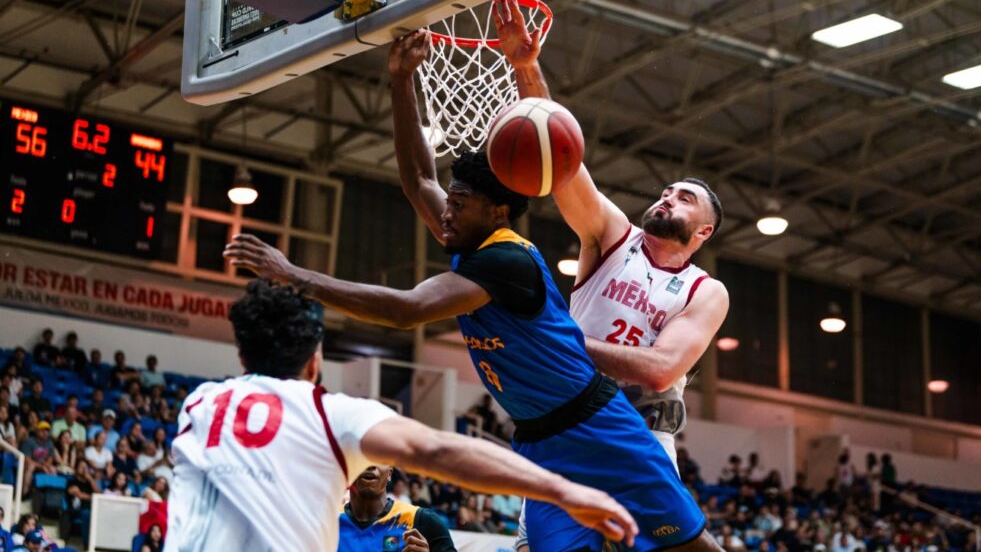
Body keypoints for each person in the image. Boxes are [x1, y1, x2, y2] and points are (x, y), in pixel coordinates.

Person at [222, 45, 709, 552]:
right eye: (449, 202)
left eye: (459, 204)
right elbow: (418, 180)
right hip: (540, 440)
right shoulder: (470, 237)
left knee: (692, 549)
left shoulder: (507, 260)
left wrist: (292, 273)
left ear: (497, 211)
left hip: (599, 428)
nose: (446, 213)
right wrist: (400, 77)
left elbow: (406, 310)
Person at [165, 280, 636, 551]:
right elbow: (435, 448)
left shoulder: (198, 405)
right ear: (315, 362)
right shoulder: (330, 413)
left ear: (242, 359)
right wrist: (564, 489)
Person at [492, 0, 728, 461]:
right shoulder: (612, 235)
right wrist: (525, 68)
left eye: (685, 200)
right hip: (565, 421)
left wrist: (557, 334)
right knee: (535, 540)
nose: (667, 199)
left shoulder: (705, 291)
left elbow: (661, 371)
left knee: (652, 539)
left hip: (640, 434)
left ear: (703, 233)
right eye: (665, 192)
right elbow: (561, 155)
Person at [338, 465, 456, 552]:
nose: (370, 465)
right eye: (362, 458)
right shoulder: (330, 520)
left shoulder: (421, 519)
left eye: (379, 459)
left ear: (389, 473)